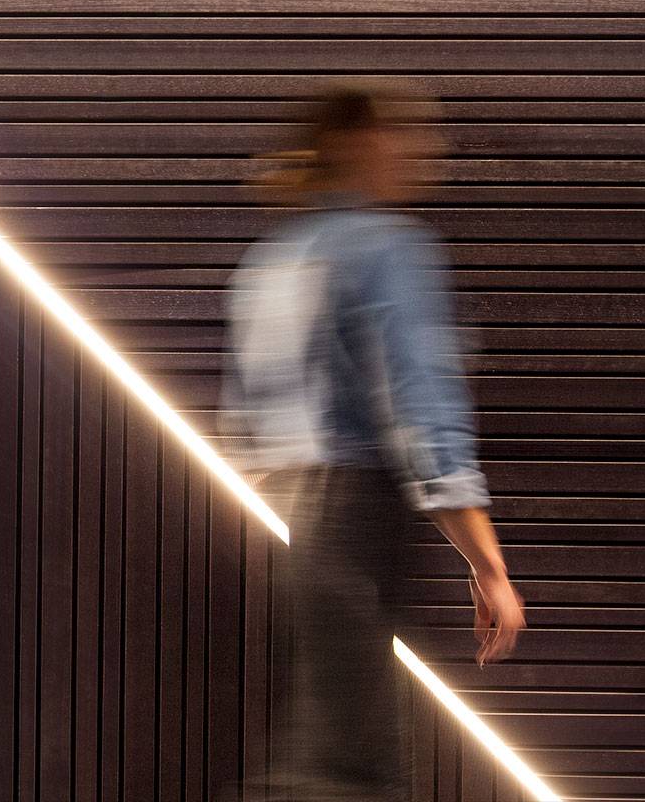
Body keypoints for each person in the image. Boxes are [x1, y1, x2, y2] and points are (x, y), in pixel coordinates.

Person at [219, 82, 525, 801]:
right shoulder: (391, 248)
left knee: (338, 740)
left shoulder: (273, 257)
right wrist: (486, 562)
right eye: (408, 133)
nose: (428, 149)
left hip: (301, 520)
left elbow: (249, 426)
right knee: (346, 767)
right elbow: (422, 407)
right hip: (359, 511)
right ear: (359, 143)